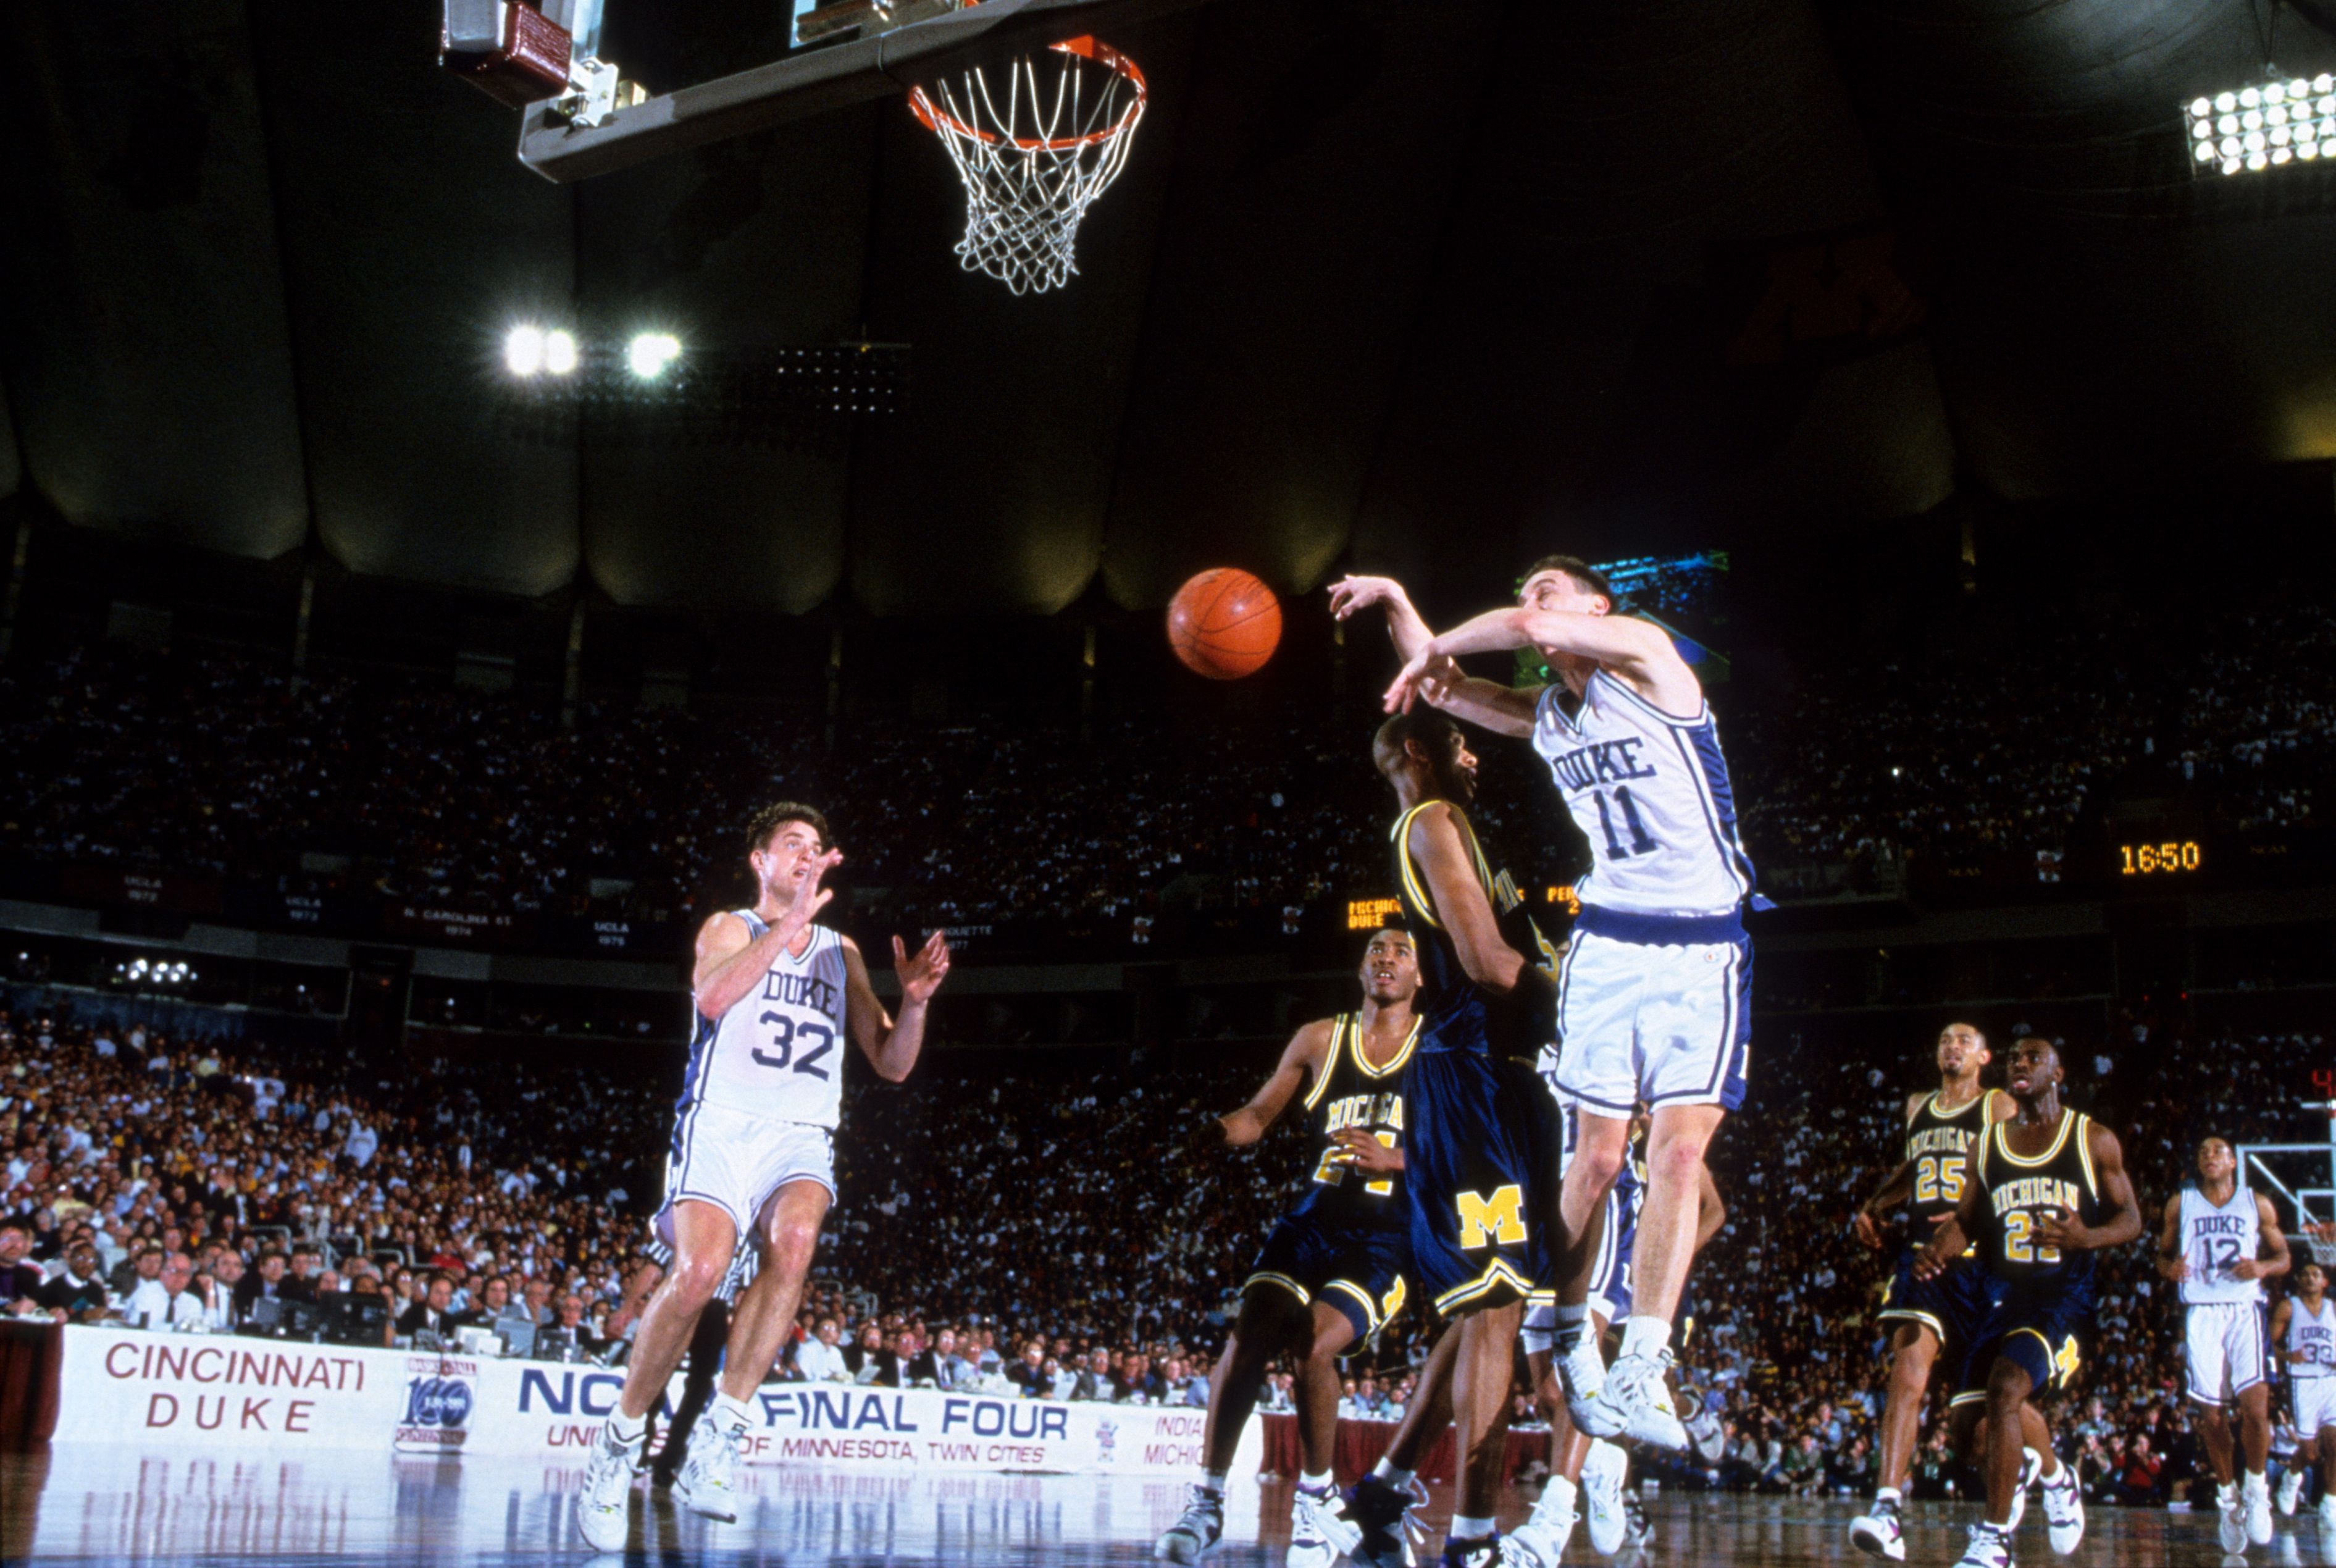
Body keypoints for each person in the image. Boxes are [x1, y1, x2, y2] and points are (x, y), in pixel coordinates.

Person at [1344, 556, 1755, 1448]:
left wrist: (1451, 640)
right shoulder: (1547, 717)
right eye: (1520, 584)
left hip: (1699, 936)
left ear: (1593, 607)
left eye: (1545, 588)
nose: (1529, 602)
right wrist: (1399, 604)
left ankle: (1643, 1358)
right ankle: (1567, 1335)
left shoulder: (1646, 657)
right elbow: (1442, 686)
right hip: (1606, 938)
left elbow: (1520, 635)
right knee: (1596, 1160)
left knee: (1678, 1150)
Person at [575, 801, 950, 1553]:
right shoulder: (729, 927)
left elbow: (894, 1062)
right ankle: (616, 1444)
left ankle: (723, 1432)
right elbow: (713, 998)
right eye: (793, 845)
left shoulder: (841, 951)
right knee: (700, 1273)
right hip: (720, 1122)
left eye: (818, 846)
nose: (809, 855)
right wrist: (789, 924)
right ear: (761, 860)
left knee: (797, 1238)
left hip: (798, 1134)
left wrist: (912, 1005)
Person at [1337, 708, 1558, 1568]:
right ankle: (1471, 1537)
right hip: (1474, 1071)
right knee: (1497, 1305)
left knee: (1481, 1308)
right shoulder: (1432, 819)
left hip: (1484, 1074)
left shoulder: (1439, 824)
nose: (1476, 757)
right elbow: (1482, 956)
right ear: (1421, 752)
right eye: (1462, 742)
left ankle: (1387, 1483)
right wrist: (1583, 1008)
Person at [1155, 928, 1424, 1568]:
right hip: (1309, 1222)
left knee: (1313, 1343)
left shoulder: (1436, 1047)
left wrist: (1395, 1157)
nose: (1385, 958)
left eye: (1401, 952)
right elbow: (1259, 1113)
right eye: (1376, 950)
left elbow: (1466, 1151)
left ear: (1422, 976)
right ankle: (1208, 1499)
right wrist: (1216, 1133)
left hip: (1384, 1238)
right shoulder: (1319, 1037)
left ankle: (1316, 1496)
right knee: (1251, 1328)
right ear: (1360, 968)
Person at [1917, 1036, 2141, 1568]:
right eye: (2014, 1057)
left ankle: (1993, 1540)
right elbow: (1968, 1220)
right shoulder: (1989, 1142)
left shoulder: (2092, 1138)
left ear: (2057, 1072)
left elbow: (2131, 1219)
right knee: (1970, 1436)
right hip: (2001, 1295)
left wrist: (2086, 1237)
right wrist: (1936, 1249)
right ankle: (2058, 1477)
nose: (2020, 1063)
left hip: (2064, 1298)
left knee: (2005, 1387)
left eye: (2032, 1057)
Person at [1509, 1107, 1726, 1568]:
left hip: (1639, 1281)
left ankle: (1685, 1416)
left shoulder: (1666, 1142)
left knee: (1621, 1386)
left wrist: (1664, 1264)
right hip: (1595, 1256)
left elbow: (1713, 1211)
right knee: (1556, 1393)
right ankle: (1605, 1470)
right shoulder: (1597, 1129)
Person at [1847, 1022, 2017, 1561]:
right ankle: (1888, 1507)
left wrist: (1971, 1215)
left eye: (1965, 1039)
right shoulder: (1917, 1105)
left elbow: (2011, 1173)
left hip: (1976, 1258)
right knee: (1906, 1370)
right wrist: (1876, 1203)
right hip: (1921, 1252)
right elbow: (1912, 1167)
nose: (1952, 1045)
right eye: (1945, 1038)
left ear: (1984, 1056)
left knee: (1979, 1426)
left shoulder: (1998, 1106)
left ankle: (2049, 1476)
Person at [2160, 1134, 2290, 1551]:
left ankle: (2256, 1490)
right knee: (2211, 1416)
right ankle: (2228, 1498)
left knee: (2255, 1410)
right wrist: (2170, 1267)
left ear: (2233, 1161)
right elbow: (2160, 1257)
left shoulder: (2256, 1202)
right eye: (2202, 1151)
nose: (2209, 1155)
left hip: (2244, 1309)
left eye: (2217, 1150)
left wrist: (2263, 1266)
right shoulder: (2181, 1203)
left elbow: (2283, 1255)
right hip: (2201, 1312)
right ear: (2198, 1164)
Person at [2272, 1259, 2336, 1528]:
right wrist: (2288, 1355)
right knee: (2310, 1453)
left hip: (2331, 1381)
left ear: (2325, 1283)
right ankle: (2291, 1477)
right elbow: (2268, 1344)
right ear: (2299, 1281)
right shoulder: (2289, 1307)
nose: (2310, 1278)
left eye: (2315, 1274)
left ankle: (2330, 1503)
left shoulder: (2334, 1309)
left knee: (2335, 1445)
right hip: (2303, 1383)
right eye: (2305, 1274)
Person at [393, 1271, 457, 1345]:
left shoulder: (450, 1321)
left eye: (447, 1294)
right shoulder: (412, 1315)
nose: (443, 1299)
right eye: (438, 1293)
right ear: (427, 1293)